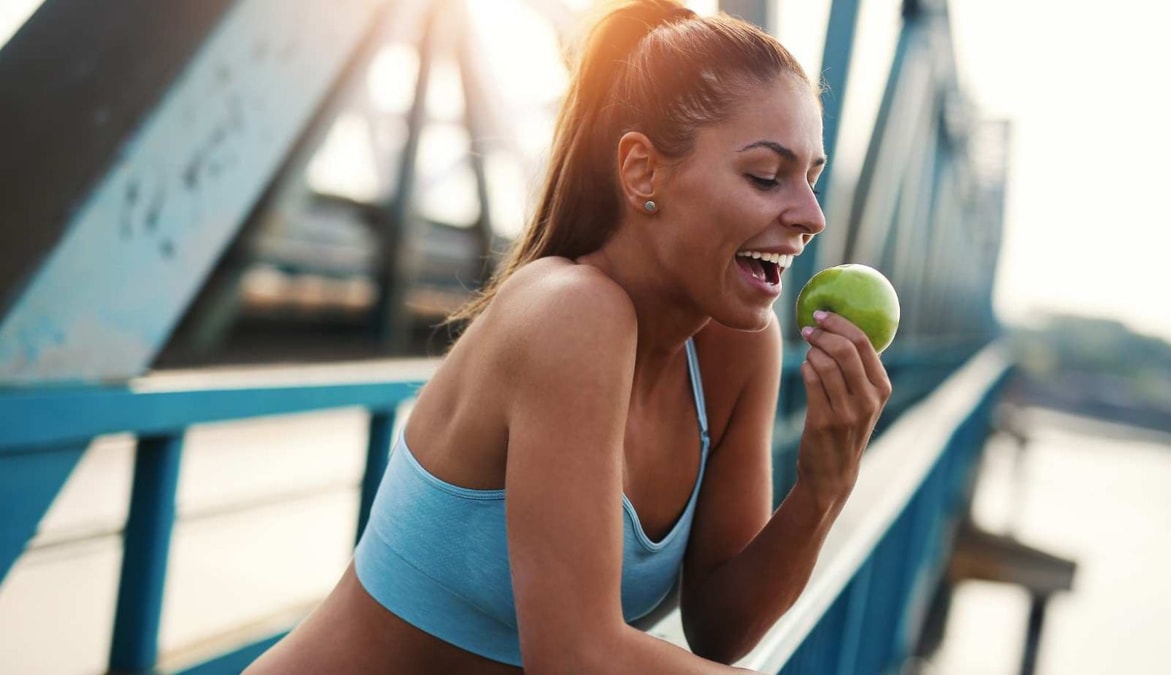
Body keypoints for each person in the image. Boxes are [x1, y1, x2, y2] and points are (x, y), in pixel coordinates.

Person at [248, 0, 890, 672]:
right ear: (643, 171)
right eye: (766, 176)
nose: (812, 216)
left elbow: (720, 629)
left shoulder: (734, 346)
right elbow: (575, 655)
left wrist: (823, 485)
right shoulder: (571, 314)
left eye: (811, 179)